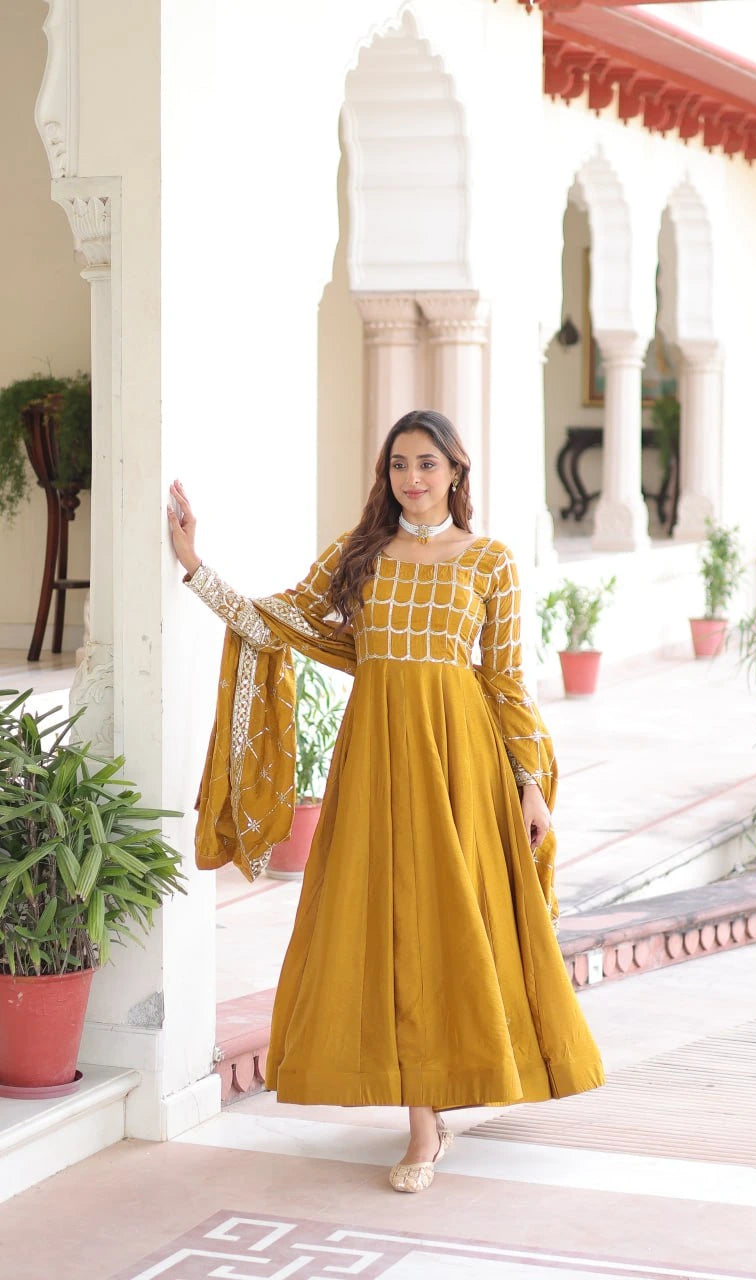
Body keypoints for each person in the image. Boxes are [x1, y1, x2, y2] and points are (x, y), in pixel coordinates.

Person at [167, 409, 604, 1194]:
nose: (411, 478)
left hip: (461, 765)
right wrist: (196, 565)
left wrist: (530, 783)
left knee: (448, 924)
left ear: (456, 473)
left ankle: (436, 1115)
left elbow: (505, 680)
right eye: (399, 464)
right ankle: (420, 1122)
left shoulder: (491, 562)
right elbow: (280, 622)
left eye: (427, 464)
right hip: (374, 762)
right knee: (390, 922)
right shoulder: (357, 553)